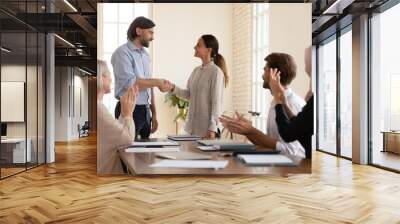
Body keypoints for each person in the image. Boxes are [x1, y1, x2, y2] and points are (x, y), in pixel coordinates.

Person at [219, 53, 306, 158]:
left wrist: (251, 130)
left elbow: (290, 151)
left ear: (274, 74)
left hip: (292, 171)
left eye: (265, 70)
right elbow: (270, 143)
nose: (262, 76)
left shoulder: (293, 104)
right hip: (278, 166)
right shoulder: (275, 103)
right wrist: (246, 131)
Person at [111, 16, 172, 140]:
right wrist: (158, 81)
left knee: (144, 153)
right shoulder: (122, 53)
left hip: (145, 111)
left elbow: (149, 85)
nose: (152, 37)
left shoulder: (145, 55)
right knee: (126, 150)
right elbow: (130, 83)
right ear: (139, 31)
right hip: (129, 110)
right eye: (150, 32)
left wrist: (153, 114)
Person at [166, 34, 228, 139]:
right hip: (192, 129)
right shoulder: (196, 71)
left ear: (209, 50)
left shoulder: (216, 72)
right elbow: (189, 95)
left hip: (207, 131)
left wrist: (212, 128)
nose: (195, 47)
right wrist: (172, 87)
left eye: (198, 45)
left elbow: (217, 102)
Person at [270, 47, 314, 159]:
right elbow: (297, 126)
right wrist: (282, 102)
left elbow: (289, 134)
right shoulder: (280, 102)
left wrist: (280, 100)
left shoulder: (296, 103)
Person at [97, 60, 138, 174]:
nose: (111, 79)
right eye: (108, 75)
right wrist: (128, 114)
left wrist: (124, 113)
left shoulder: (98, 106)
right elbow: (127, 139)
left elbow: (116, 133)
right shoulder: (98, 108)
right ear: (101, 77)